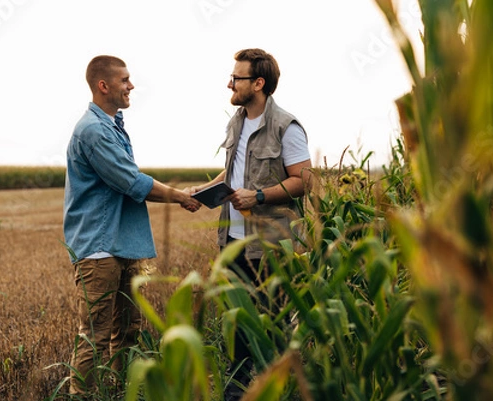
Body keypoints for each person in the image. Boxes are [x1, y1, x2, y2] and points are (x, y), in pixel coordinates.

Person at [62, 55, 200, 395]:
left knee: (128, 330)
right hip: (99, 249)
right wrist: (180, 196)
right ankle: (83, 397)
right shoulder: (94, 131)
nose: (131, 86)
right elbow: (131, 182)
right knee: (94, 335)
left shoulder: (111, 124)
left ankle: (121, 391)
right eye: (125, 80)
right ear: (103, 85)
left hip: (121, 244)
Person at [189, 48, 312, 400]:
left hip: (270, 247)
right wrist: (203, 190)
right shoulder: (236, 121)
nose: (230, 83)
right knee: (237, 328)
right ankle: (237, 394)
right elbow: (231, 172)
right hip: (233, 244)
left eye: (237, 77)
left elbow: (304, 180)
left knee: (272, 331)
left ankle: (281, 390)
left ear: (258, 83)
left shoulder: (286, 127)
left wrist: (257, 197)